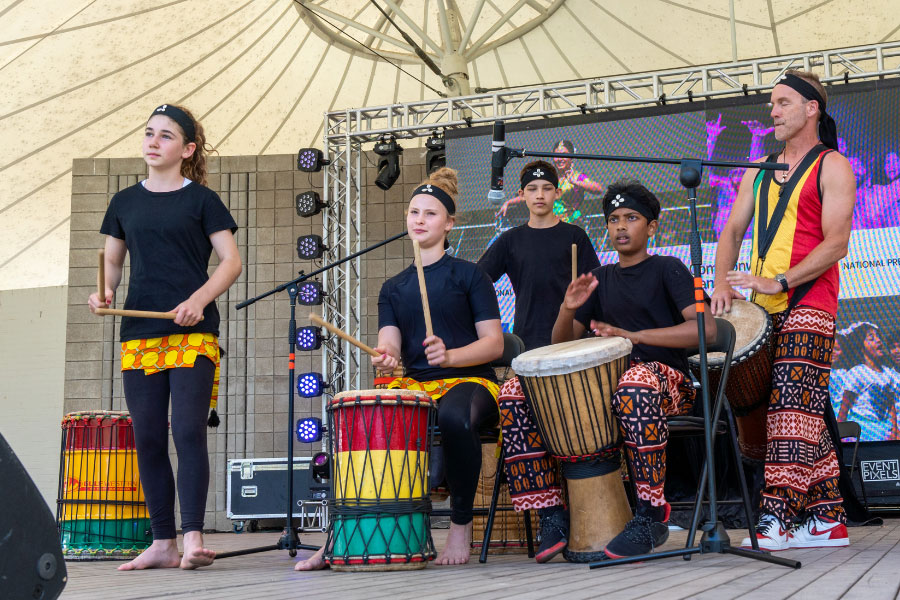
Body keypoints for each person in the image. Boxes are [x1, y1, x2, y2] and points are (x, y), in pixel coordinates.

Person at [295, 168, 504, 570]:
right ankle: (343, 534)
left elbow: (494, 344)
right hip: (417, 385)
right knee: (365, 419)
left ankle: (459, 525)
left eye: (429, 213)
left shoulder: (470, 275)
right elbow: (389, 343)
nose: (420, 220)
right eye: (414, 212)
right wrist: (385, 356)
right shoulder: (393, 287)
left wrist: (451, 356)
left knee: (457, 416)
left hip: (471, 380)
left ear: (449, 224)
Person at [87, 104, 242, 570]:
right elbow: (112, 263)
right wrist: (104, 292)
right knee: (149, 435)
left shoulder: (203, 200)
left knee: (189, 430)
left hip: (192, 332)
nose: (153, 142)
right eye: (149, 133)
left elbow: (231, 262)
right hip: (140, 331)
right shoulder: (124, 201)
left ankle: (192, 536)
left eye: (166, 136)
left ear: (187, 149)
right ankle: (162, 542)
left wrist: (199, 300)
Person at [711, 70, 855, 550]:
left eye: (783, 102)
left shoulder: (833, 166)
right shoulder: (760, 168)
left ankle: (776, 516)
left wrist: (781, 280)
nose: (772, 111)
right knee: (800, 406)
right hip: (761, 305)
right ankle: (827, 519)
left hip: (811, 301)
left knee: (791, 408)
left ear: (812, 108)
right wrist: (721, 286)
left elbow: (837, 242)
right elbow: (732, 231)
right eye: (772, 103)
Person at [551, 179, 716, 559]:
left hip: (667, 384)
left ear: (652, 227)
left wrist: (635, 336)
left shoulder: (668, 269)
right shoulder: (601, 278)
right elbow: (563, 346)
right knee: (519, 393)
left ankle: (649, 512)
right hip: (614, 392)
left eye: (631, 218)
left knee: (635, 383)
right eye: (613, 219)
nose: (620, 226)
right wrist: (567, 307)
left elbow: (704, 328)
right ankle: (553, 517)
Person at [476, 160, 600, 562]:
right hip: (529, 353)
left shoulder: (576, 235)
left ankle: (594, 512)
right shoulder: (511, 241)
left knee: (581, 429)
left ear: (556, 192)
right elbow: (478, 282)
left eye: (548, 188)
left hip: (576, 351)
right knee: (519, 417)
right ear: (523, 196)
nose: (541, 195)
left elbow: (598, 288)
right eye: (533, 189)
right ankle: (551, 516)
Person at [497, 140, 604, 227]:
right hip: (551, 225)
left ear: (571, 158)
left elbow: (598, 189)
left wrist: (576, 183)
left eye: (564, 155)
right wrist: (509, 202)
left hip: (572, 226)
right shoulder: (549, 178)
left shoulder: (577, 177)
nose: (560, 159)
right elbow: (530, 196)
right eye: (556, 155)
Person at [836, 323, 900, 441]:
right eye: (871, 338)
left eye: (878, 337)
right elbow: (844, 406)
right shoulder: (857, 372)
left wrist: (895, 431)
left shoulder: (888, 373)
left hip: (882, 428)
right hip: (862, 429)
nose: (878, 341)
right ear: (861, 347)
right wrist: (838, 435)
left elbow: (891, 406)